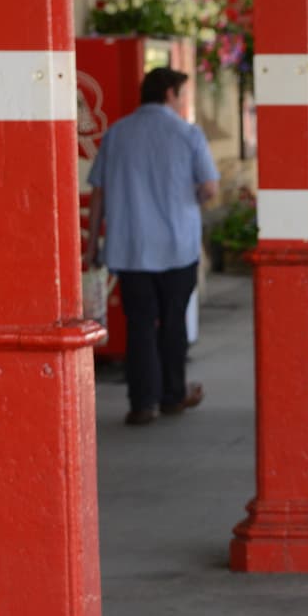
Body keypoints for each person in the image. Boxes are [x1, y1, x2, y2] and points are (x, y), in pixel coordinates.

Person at [86, 66, 218, 426]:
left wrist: (91, 244)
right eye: (183, 94)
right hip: (177, 247)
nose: (184, 101)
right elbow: (209, 189)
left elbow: (97, 192)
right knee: (173, 322)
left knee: (139, 325)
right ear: (170, 95)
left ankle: (143, 402)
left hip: (130, 249)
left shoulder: (116, 134)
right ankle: (173, 395)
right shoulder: (189, 134)